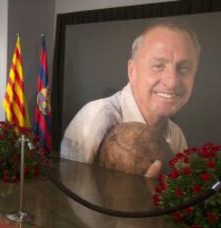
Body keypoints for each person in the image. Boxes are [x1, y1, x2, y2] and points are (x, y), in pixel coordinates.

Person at [60, 18, 200, 178]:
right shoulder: (96, 118)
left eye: (184, 68)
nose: (172, 81)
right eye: (158, 65)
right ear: (132, 71)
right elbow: (69, 196)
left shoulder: (177, 136)